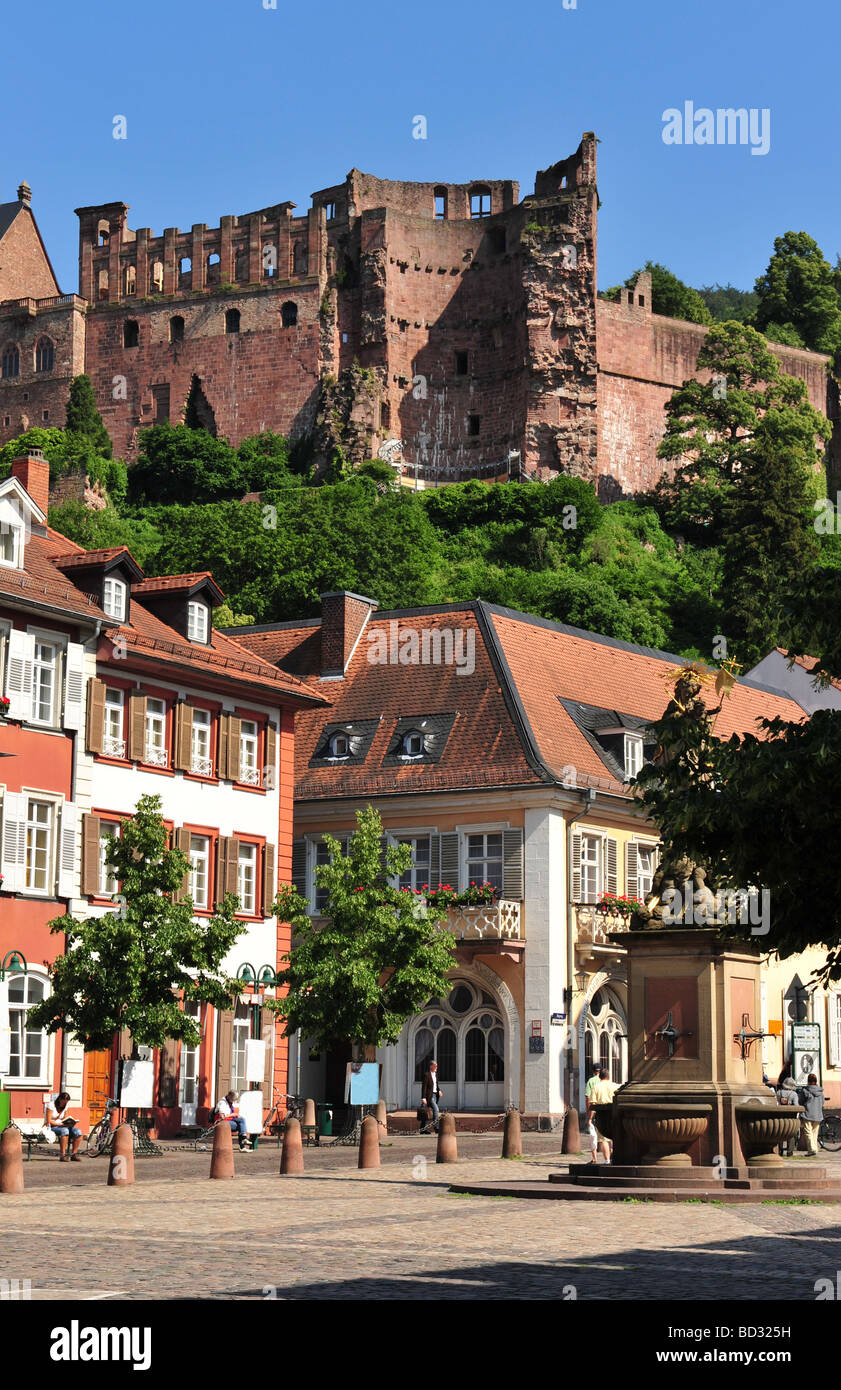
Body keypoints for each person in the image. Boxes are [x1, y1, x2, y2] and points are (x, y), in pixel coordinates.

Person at [588, 1068, 618, 1165]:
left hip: (602, 1114)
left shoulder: (596, 1087)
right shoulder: (616, 1086)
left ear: (600, 1077)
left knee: (603, 1139)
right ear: (608, 1076)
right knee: (615, 1137)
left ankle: (607, 1160)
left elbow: (592, 1103)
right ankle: (615, 1156)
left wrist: (590, 1118)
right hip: (615, 1113)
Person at [45, 1092, 82, 1162]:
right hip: (52, 1126)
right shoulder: (51, 1105)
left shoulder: (65, 1106)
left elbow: (65, 1117)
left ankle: (74, 1154)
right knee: (65, 1131)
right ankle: (63, 1155)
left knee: (78, 1132)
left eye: (66, 1102)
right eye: (64, 1102)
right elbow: (49, 1121)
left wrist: (70, 1122)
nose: (65, 1103)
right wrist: (62, 1125)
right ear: (59, 1099)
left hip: (63, 1125)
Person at [796, 1073, 825, 1157]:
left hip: (807, 1114)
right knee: (814, 1132)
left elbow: (800, 1101)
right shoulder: (820, 1092)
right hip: (818, 1115)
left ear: (808, 1081)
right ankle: (814, 1148)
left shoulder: (805, 1091)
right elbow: (822, 1102)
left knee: (808, 1132)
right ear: (816, 1081)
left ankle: (812, 1149)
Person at [584, 1067, 603, 1163]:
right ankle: (609, 1158)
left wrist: (588, 1112)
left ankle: (595, 1158)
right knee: (605, 1137)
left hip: (594, 1112)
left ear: (593, 1071)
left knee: (593, 1136)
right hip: (605, 1112)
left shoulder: (591, 1081)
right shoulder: (606, 1082)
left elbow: (588, 1098)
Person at [421, 1061, 443, 1133]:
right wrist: (423, 1098)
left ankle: (423, 1129)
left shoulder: (435, 1074)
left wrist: (439, 1090)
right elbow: (424, 1087)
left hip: (435, 1095)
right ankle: (436, 1128)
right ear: (431, 1066)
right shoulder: (426, 1075)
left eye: (437, 1066)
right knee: (436, 1109)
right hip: (429, 1096)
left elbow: (436, 1084)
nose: (436, 1067)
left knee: (427, 1112)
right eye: (435, 1066)